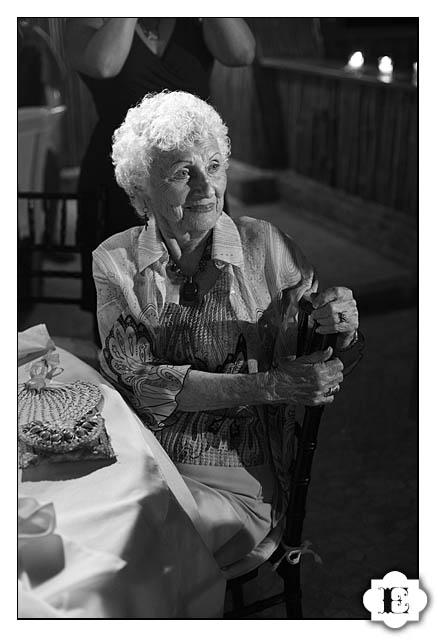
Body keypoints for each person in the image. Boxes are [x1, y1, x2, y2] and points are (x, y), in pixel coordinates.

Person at [93, 91, 362, 569]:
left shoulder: (266, 247)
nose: (206, 187)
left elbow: (332, 347)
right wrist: (272, 385)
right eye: (182, 173)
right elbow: (140, 382)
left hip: (241, 477)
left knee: (133, 553)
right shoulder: (115, 261)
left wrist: (341, 326)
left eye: (214, 166)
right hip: (144, 462)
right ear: (140, 191)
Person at [64, 18, 255, 315]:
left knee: (208, 295)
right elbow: (104, 65)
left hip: (195, 175)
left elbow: (242, 53)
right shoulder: (88, 16)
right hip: (126, 178)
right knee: (124, 300)